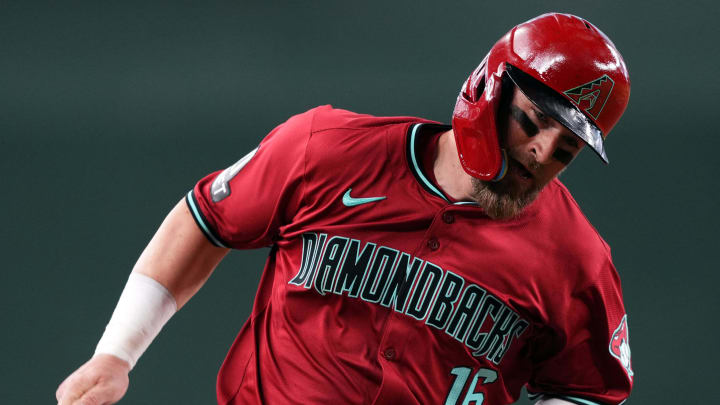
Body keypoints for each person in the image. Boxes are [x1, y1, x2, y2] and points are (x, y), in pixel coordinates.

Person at [56, 13, 634, 405]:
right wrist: (116, 353)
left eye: (567, 148)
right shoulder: (326, 149)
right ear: (489, 90)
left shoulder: (575, 256)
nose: (541, 153)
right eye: (533, 122)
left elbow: (589, 388)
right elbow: (205, 218)